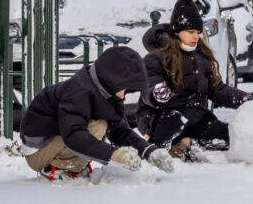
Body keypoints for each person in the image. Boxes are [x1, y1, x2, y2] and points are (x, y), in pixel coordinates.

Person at [137, 0, 253, 159]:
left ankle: (188, 143)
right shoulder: (157, 57)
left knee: (229, 135)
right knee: (174, 121)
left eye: (197, 32)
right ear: (177, 32)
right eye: (190, 32)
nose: (195, 37)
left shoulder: (201, 57)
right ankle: (165, 148)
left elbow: (217, 89)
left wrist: (244, 98)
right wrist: (156, 92)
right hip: (161, 118)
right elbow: (148, 85)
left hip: (195, 119)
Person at [20, 45, 175, 181]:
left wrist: (149, 151)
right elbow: (74, 135)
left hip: (56, 141)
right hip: (39, 151)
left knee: (101, 125)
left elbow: (120, 131)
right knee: (98, 126)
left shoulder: (104, 92)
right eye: (124, 88)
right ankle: (54, 168)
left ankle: (70, 165)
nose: (123, 95)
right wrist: (114, 155)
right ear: (113, 79)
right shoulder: (79, 91)